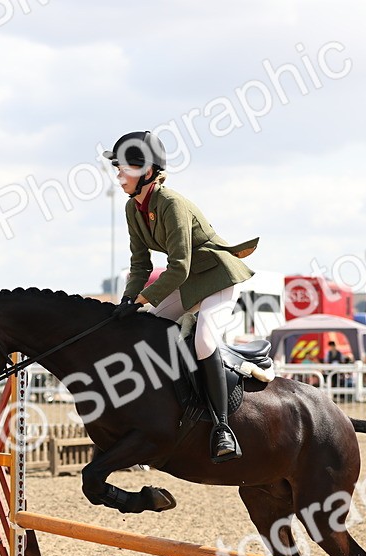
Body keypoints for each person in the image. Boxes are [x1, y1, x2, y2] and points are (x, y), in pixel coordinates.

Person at [105, 131, 259, 463]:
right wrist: (127, 302)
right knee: (148, 333)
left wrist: (142, 301)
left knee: (203, 340)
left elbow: (178, 266)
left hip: (217, 277)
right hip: (187, 282)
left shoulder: (171, 203)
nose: (118, 176)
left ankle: (222, 429)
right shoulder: (134, 208)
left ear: (146, 172)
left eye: (123, 169)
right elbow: (140, 264)